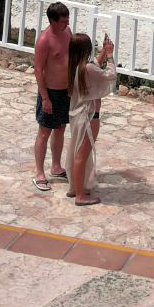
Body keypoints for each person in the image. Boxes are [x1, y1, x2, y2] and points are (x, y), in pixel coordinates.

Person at [66, 32, 116, 206]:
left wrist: (103, 52)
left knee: (77, 153)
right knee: (82, 155)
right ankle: (80, 195)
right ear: (87, 50)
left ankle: (75, 188)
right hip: (89, 116)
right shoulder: (87, 69)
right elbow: (110, 75)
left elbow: (93, 65)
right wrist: (110, 55)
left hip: (77, 115)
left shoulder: (74, 66)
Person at [33, 1, 73, 190]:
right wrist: (45, 98)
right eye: (63, 21)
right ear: (53, 21)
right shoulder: (44, 40)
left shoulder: (68, 32)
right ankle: (39, 173)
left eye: (67, 20)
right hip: (50, 91)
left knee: (61, 128)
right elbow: (38, 70)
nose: (67, 24)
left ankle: (56, 166)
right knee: (44, 131)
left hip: (66, 91)